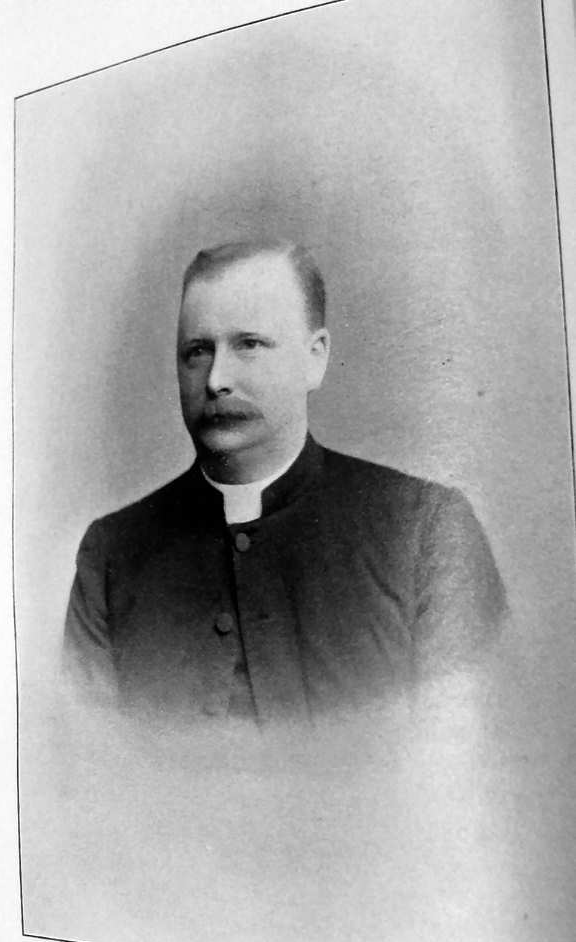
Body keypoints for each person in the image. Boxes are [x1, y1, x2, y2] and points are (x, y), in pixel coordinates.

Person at [64, 239, 507, 725]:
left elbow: (458, 750)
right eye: (197, 351)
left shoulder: (426, 530)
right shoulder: (112, 555)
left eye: (249, 345)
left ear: (315, 358)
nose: (216, 379)